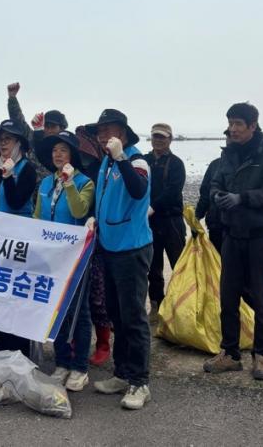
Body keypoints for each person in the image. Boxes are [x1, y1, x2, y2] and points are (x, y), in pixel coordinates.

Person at [203, 102, 263, 381]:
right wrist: (217, 196)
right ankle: (230, 354)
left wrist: (242, 198)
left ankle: (261, 355)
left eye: (238, 123)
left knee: (260, 297)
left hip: (259, 238)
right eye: (230, 123)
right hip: (232, 237)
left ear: (252, 126)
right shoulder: (228, 155)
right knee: (228, 296)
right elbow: (215, 183)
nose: (233, 129)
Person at [85, 109, 154, 410]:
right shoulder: (106, 162)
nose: (102, 136)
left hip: (131, 248)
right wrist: (94, 218)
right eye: (99, 131)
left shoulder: (136, 160)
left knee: (133, 316)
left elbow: (138, 191)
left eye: (108, 130)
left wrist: (122, 158)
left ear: (123, 133)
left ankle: (140, 381)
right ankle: (122, 372)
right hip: (109, 246)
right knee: (116, 314)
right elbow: (105, 198)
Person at [33, 131, 95, 391]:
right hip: (51, 257)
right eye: (54, 150)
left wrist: (69, 184)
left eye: (63, 150)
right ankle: (62, 362)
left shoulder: (85, 182)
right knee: (56, 309)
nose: (58, 155)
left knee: (79, 311)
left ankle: (80, 367)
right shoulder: (46, 182)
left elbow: (80, 210)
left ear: (73, 155)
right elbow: (37, 216)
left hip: (75, 257)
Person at [0, 119, 38, 355]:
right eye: (1, 140)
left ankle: (18, 346)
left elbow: (16, 202)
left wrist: (9, 176)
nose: (3, 144)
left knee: (15, 292)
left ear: (19, 143)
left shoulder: (27, 169)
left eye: (8, 139)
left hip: (17, 239)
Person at [74, 125, 112, 366]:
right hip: (74, 237)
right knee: (75, 293)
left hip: (97, 237)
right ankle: (76, 339)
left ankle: (103, 343)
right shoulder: (72, 171)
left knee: (98, 294)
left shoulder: (104, 168)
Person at [143, 123, 186, 321]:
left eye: (162, 137)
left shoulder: (176, 163)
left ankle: (182, 306)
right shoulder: (144, 160)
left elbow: (173, 191)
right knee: (153, 267)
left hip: (172, 221)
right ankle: (156, 306)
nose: (158, 140)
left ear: (170, 139)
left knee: (180, 265)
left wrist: (153, 207)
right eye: (155, 136)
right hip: (150, 223)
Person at [6, 82, 68, 183]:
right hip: (30, 189)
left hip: (56, 189)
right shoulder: (34, 138)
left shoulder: (68, 148)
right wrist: (12, 98)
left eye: (53, 126)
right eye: (46, 126)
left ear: (62, 128)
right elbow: (19, 122)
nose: (49, 130)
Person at [195, 130, 230, 253]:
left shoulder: (248, 165)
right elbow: (205, 194)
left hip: (238, 228)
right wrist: (197, 216)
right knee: (216, 261)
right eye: (228, 136)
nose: (231, 139)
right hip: (216, 225)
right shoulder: (215, 165)